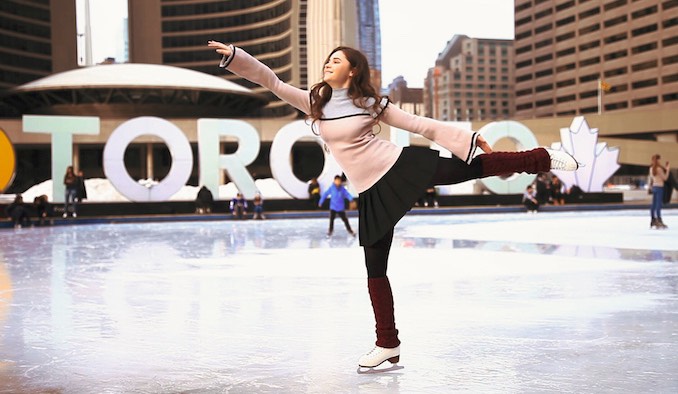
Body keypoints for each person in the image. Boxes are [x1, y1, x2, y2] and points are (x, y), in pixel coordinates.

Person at [207, 40, 578, 370]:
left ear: (353, 71)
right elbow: (271, 81)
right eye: (328, 59)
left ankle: (540, 159)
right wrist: (237, 58)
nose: (328, 63)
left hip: (397, 165)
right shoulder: (314, 103)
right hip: (369, 189)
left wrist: (468, 136)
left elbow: (419, 125)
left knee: (465, 169)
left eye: (337, 60)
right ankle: (388, 342)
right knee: (374, 268)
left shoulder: (369, 104)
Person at [649, 154, 670, 229]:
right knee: (658, 205)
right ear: (658, 160)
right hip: (659, 187)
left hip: (654, 187)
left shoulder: (651, 168)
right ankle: (659, 220)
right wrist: (667, 169)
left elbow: (651, 178)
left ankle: (653, 220)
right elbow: (665, 178)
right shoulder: (659, 169)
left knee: (653, 205)